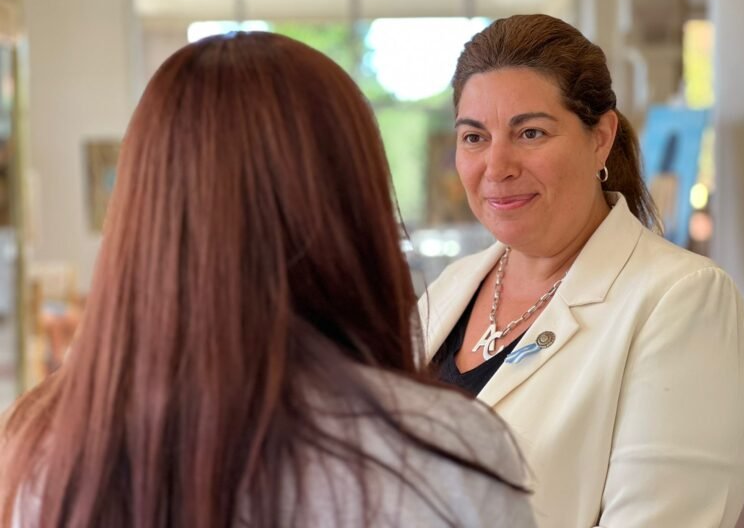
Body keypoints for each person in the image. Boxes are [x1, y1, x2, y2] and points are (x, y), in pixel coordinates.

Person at [0, 32, 536, 528]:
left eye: (530, 132)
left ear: (145, 210)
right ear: (354, 211)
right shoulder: (443, 453)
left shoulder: (44, 448)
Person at [421, 14, 744, 528]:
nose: (496, 166)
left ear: (600, 138)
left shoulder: (683, 301)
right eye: (474, 138)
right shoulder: (452, 288)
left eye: (530, 132)